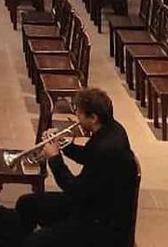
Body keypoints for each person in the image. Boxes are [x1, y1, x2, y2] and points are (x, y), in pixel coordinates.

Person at [15, 88, 137, 246]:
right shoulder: (111, 129)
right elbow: (88, 155)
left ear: (93, 117)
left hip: (100, 223)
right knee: (26, 203)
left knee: (34, 242)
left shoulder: (106, 148)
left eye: (79, 114)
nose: (76, 119)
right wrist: (64, 145)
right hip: (92, 204)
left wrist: (55, 159)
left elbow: (73, 189)